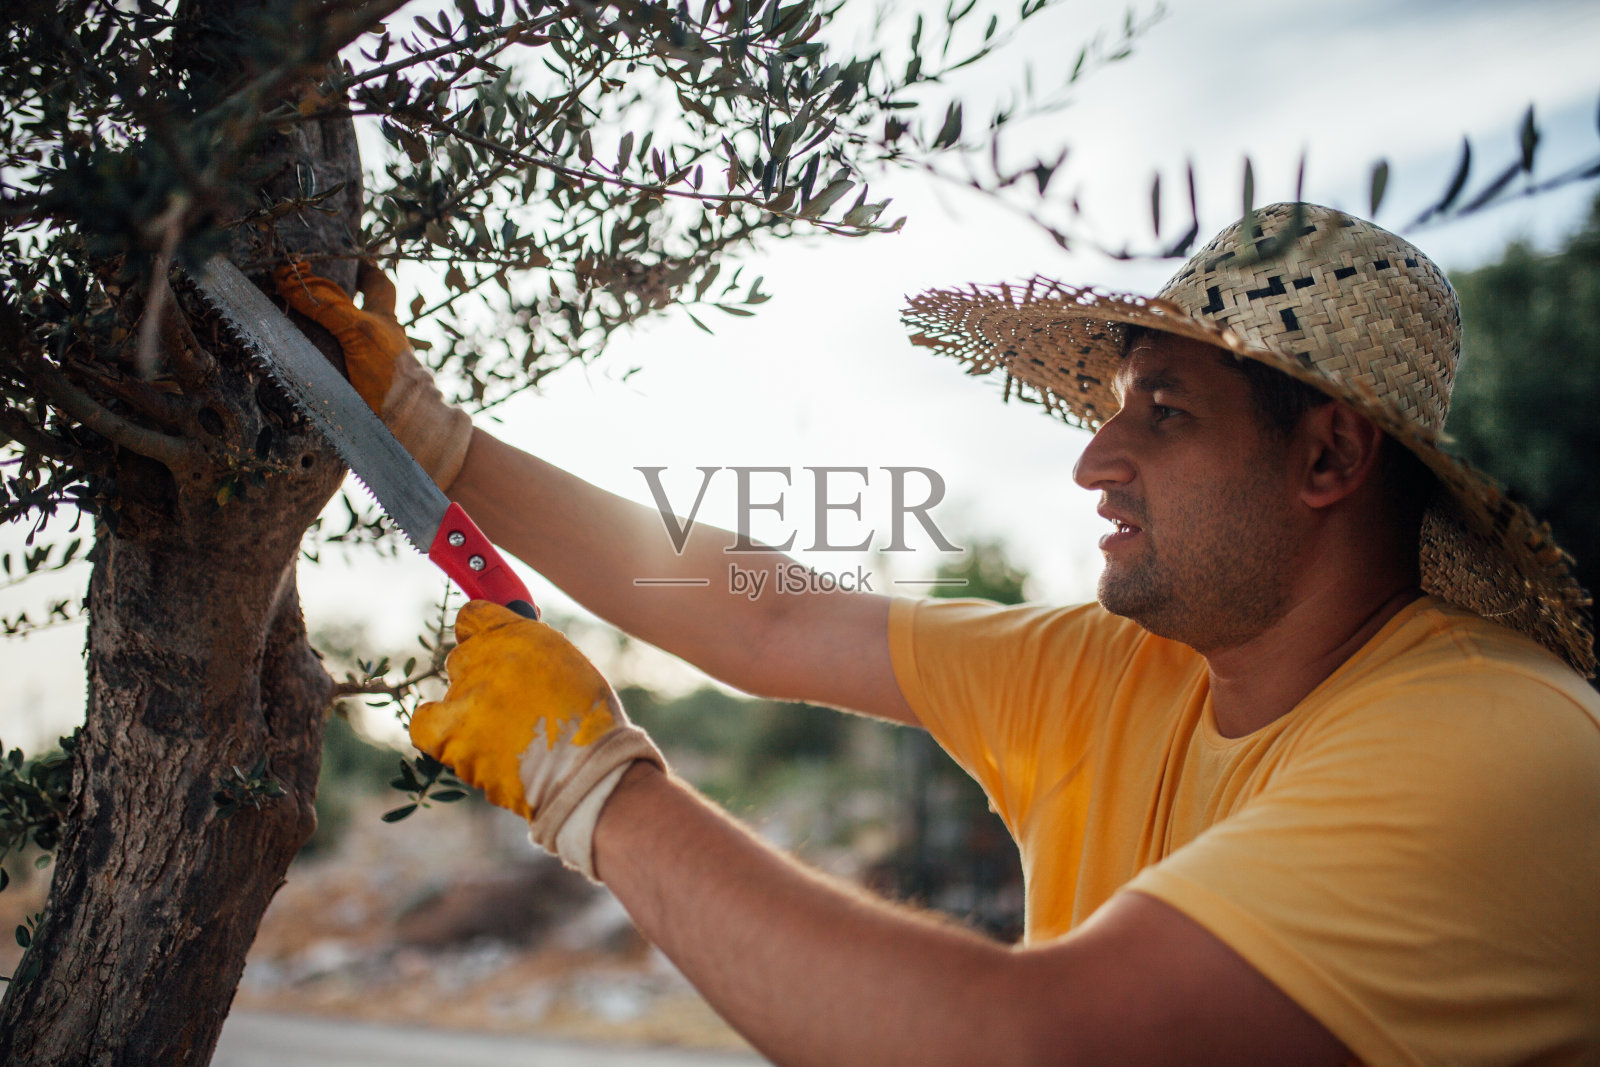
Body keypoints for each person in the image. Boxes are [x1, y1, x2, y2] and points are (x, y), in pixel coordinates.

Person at [277, 202, 1600, 1065]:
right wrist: (440, 440)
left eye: (1167, 414)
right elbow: (781, 615)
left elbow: (1031, 1047)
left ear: (1329, 456)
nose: (1096, 459)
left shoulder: (1496, 749)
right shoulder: (1122, 669)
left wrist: (594, 788)